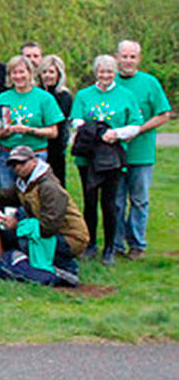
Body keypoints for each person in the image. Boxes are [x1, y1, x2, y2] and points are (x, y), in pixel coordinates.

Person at [68, 55, 142, 264]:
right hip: (89, 157)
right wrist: (98, 131)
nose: (106, 76)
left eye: (110, 72)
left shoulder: (126, 95)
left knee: (110, 203)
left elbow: (135, 124)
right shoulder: (83, 95)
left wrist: (115, 133)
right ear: (95, 73)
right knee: (89, 202)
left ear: (115, 73)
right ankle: (90, 244)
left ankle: (110, 247)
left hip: (113, 157)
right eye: (102, 72)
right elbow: (76, 121)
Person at [112, 39, 174, 260]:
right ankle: (116, 244)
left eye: (132, 57)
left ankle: (137, 244)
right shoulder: (110, 82)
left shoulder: (150, 83)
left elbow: (164, 114)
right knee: (116, 200)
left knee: (139, 199)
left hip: (141, 152)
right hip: (115, 153)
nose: (128, 61)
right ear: (117, 57)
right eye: (124, 56)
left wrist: (139, 129)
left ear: (138, 59)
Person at [0, 144, 89, 284]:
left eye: (21, 163)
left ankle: (65, 268)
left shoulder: (49, 187)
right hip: (50, 233)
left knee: (24, 241)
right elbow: (3, 196)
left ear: (34, 161)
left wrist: (17, 226)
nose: (17, 168)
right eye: (13, 164)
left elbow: (50, 226)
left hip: (70, 237)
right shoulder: (24, 183)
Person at [0, 56, 63, 188]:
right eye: (14, 73)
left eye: (22, 72)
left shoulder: (44, 98)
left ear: (30, 73)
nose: (18, 76)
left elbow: (53, 132)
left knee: (34, 196)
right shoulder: (2, 98)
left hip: (35, 154)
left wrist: (30, 130)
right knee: (8, 196)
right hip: (7, 154)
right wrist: (4, 132)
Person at [36, 55, 74, 185]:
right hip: (37, 145)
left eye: (51, 72)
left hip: (56, 147)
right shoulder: (35, 93)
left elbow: (56, 120)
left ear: (59, 74)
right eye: (44, 72)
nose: (47, 76)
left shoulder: (64, 96)